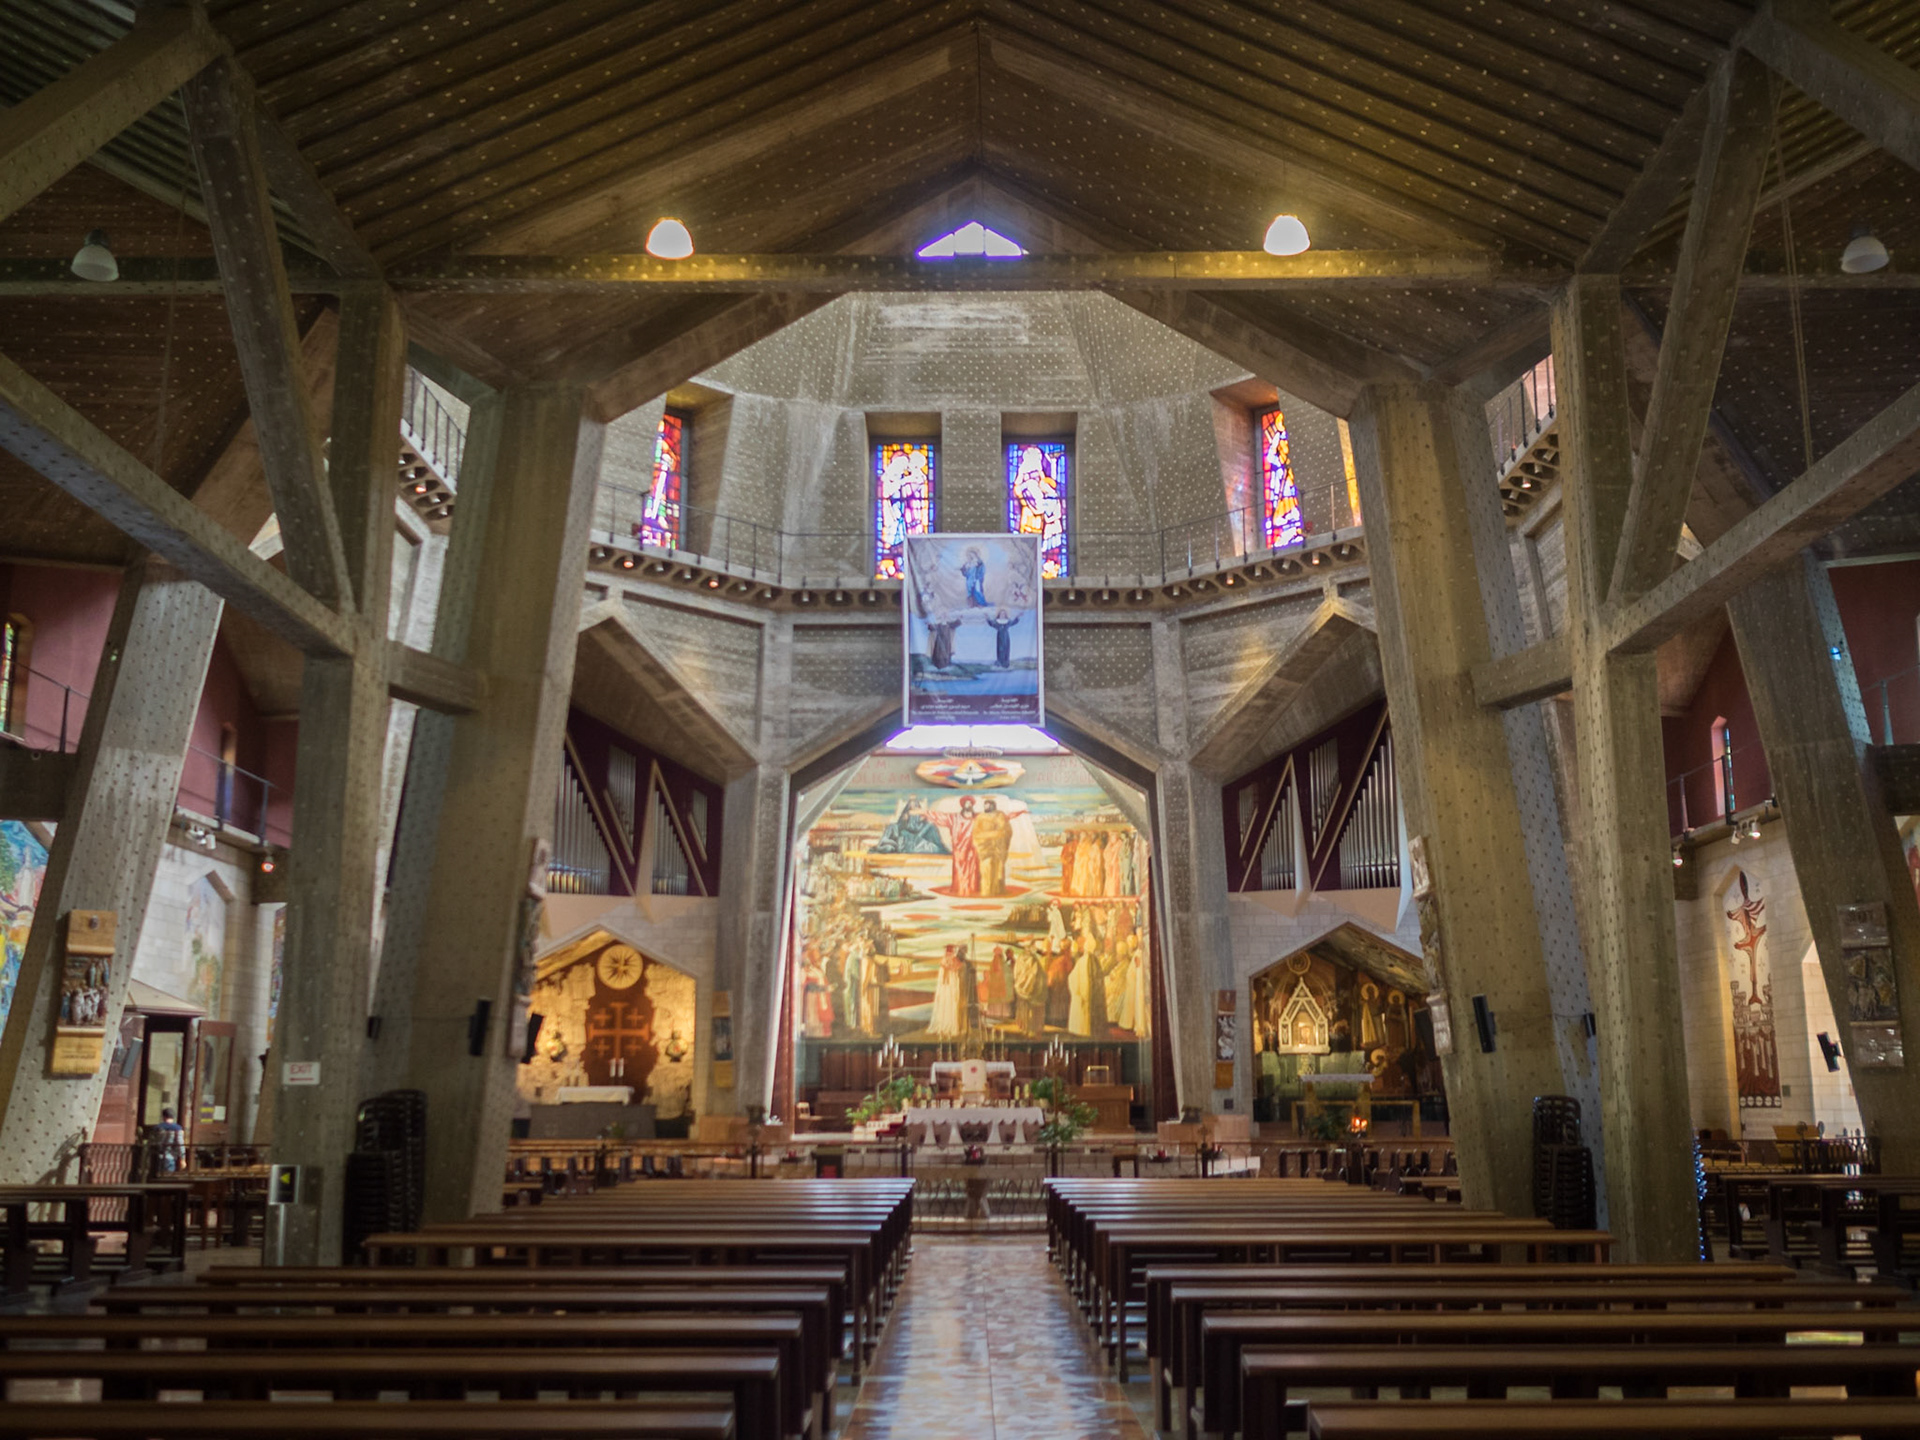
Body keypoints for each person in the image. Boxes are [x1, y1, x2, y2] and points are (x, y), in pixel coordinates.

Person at [972, 798, 1013, 897]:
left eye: (989, 805)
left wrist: (997, 836)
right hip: (985, 848)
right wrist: (990, 836)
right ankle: (987, 892)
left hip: (998, 847)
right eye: (985, 805)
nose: (987, 807)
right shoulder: (980, 818)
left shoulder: (1000, 816)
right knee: (986, 869)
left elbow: (1005, 831)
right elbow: (976, 833)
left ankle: (998, 890)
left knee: (998, 870)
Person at [152, 1106, 185, 1175]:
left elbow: (153, 1142)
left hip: (157, 1157)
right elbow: (180, 1144)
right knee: (168, 1177)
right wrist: (182, 1159)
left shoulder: (157, 1128)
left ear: (163, 1116)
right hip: (170, 1156)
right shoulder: (177, 1129)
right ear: (173, 1117)